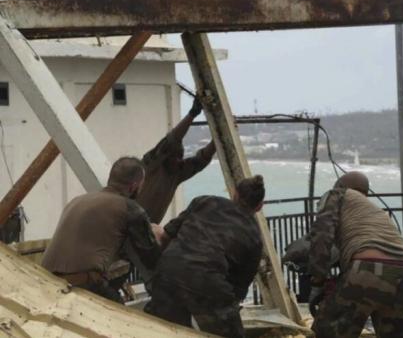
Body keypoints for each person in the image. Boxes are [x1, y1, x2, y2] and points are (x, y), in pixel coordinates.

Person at [144, 175, 265, 337]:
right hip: (208, 281)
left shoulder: (204, 202)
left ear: (235, 193)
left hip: (168, 270)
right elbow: (239, 289)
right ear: (259, 206)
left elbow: (166, 235)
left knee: (165, 330)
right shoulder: (254, 236)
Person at [309, 171, 403, 338]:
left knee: (327, 332)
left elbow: (322, 235)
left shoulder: (337, 194)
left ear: (341, 186)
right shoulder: (376, 213)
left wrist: (317, 281)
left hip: (367, 267)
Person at [42, 157, 161, 302]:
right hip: (82, 283)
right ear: (134, 186)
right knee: (124, 317)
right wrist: (157, 234)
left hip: (44, 280)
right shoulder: (130, 208)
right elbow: (151, 257)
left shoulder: (77, 200)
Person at [136, 97, 216, 223]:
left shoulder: (176, 174)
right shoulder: (150, 164)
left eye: (181, 156)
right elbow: (172, 139)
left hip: (148, 230)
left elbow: (201, 160)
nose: (180, 160)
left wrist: (216, 139)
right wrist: (192, 113)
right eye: (176, 156)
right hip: (128, 227)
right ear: (166, 155)